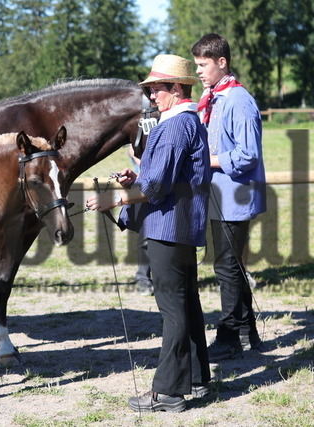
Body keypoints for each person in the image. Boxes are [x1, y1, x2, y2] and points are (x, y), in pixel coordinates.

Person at [86, 54, 211, 412]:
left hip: (169, 227)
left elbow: (158, 185)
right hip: (178, 226)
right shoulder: (182, 122)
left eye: (156, 88)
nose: (151, 95)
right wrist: (134, 179)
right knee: (186, 303)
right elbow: (164, 178)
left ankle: (169, 392)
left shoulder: (174, 126)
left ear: (176, 88)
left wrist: (116, 198)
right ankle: (197, 378)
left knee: (173, 309)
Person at [192, 33, 267, 360]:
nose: (198, 71)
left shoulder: (237, 100)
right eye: (196, 65)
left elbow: (248, 154)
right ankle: (248, 331)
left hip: (234, 195)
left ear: (222, 62)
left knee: (226, 269)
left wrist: (205, 160)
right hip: (219, 193)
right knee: (230, 266)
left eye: (203, 64)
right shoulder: (214, 97)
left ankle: (229, 337)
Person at [126, 145, 154, 296]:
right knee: (146, 234)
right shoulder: (144, 121)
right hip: (145, 178)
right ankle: (143, 277)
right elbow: (131, 148)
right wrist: (147, 164)